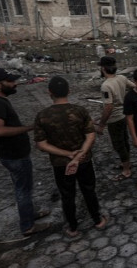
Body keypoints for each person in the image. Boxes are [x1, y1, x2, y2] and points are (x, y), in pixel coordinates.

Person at [34, 76, 107, 237]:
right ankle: (98, 220)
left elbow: (41, 144)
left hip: (61, 164)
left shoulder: (42, 116)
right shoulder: (79, 111)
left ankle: (73, 228)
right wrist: (79, 154)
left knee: (67, 195)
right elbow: (90, 135)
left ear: (49, 93)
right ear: (69, 91)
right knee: (89, 190)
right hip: (84, 161)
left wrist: (68, 155)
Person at [0, 68, 50, 236]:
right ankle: (28, 226)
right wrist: (28, 128)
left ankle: (30, 214)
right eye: (10, 82)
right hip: (14, 155)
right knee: (23, 189)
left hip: (13, 153)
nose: (15, 84)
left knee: (24, 187)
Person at [95, 56, 135, 181]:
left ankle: (126, 170)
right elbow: (135, 87)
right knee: (124, 141)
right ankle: (126, 162)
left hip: (115, 119)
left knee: (118, 145)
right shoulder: (122, 78)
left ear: (103, 68)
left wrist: (101, 124)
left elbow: (108, 107)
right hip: (124, 116)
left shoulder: (106, 85)